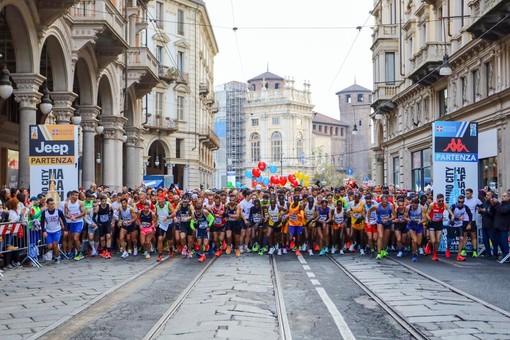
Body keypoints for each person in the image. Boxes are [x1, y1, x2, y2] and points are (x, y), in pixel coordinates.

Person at [426, 194, 453, 261]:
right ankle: (429, 244)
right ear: (437, 200)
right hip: (432, 223)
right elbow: (427, 214)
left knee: (438, 240)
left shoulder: (444, 205)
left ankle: (435, 254)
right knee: (433, 240)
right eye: (439, 201)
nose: (441, 202)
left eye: (442, 201)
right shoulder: (432, 205)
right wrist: (429, 219)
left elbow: (451, 213)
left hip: (439, 223)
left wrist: (452, 217)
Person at [41, 198, 67, 264]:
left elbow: (64, 220)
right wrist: (43, 231)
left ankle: (57, 257)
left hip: (57, 230)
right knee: (50, 246)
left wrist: (65, 229)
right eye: (50, 204)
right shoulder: (45, 212)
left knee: (55, 244)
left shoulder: (58, 211)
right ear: (47, 205)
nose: (52, 205)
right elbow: (42, 222)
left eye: (53, 204)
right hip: (48, 231)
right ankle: (57, 251)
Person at [447, 195, 472, 261]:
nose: (460, 203)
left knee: (461, 238)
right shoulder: (453, 206)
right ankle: (448, 250)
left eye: (462, 202)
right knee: (450, 239)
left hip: (459, 225)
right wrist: (458, 218)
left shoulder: (465, 207)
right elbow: (449, 216)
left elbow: (470, 215)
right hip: (452, 224)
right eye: (459, 202)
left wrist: (469, 224)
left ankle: (458, 255)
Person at [64, 190, 86, 261]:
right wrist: (70, 217)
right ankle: (71, 252)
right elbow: (65, 214)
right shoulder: (67, 204)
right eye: (75, 195)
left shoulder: (80, 203)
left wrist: (75, 217)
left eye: (77, 195)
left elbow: (83, 213)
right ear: (71, 196)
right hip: (71, 222)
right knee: (71, 238)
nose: (77, 197)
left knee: (76, 238)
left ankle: (79, 253)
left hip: (79, 222)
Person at [460, 188, 483, 257]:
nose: (467, 195)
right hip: (464, 221)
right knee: (464, 236)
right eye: (466, 193)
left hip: (472, 220)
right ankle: (463, 250)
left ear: (471, 193)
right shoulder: (463, 201)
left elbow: (482, 207)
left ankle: (474, 251)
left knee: (473, 236)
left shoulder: (476, 200)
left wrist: (480, 210)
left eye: (468, 193)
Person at [479, 191, 498, 259]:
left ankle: (495, 254)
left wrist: (485, 211)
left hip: (491, 225)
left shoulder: (493, 204)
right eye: (486, 195)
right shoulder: (485, 203)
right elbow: (483, 212)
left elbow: (494, 214)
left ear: (492, 196)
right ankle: (488, 253)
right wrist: (481, 211)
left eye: (488, 195)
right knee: (485, 240)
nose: (486, 196)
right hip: (484, 225)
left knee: (493, 240)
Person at [94, 195, 113, 259]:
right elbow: (93, 217)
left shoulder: (109, 206)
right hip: (101, 224)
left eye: (105, 201)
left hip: (107, 224)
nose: (104, 202)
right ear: (101, 201)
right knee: (102, 239)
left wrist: (110, 220)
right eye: (103, 201)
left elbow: (112, 212)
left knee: (108, 236)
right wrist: (98, 223)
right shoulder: (98, 207)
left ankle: (109, 252)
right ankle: (104, 251)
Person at [493, 191, 510, 260]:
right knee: (499, 241)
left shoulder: (508, 205)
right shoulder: (501, 204)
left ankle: (506, 256)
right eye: (502, 196)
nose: (503, 197)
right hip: (497, 226)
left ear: (509, 197)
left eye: (504, 196)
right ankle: (504, 255)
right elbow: (495, 211)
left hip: (504, 226)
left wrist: (497, 203)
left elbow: (504, 211)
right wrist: (494, 204)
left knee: (504, 241)